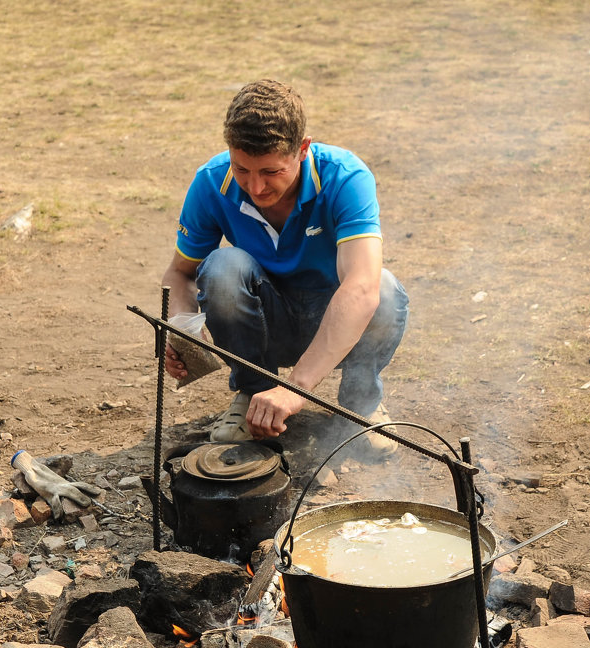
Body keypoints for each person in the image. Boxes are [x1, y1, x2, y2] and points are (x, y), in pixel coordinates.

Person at [161, 78, 409, 456]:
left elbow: (360, 289)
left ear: (302, 150)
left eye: (271, 172)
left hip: (335, 323)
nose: (255, 187)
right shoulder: (211, 181)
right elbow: (180, 273)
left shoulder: (345, 176)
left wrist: (297, 387)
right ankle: (255, 394)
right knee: (222, 267)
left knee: (384, 290)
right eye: (242, 168)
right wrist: (180, 330)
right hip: (264, 321)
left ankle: (360, 408)